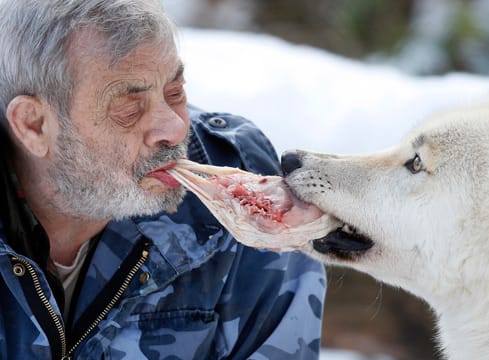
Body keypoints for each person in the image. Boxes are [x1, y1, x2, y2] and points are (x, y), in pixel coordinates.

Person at [0, 0, 326, 359]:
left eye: (175, 93)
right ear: (33, 124)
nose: (174, 128)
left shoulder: (238, 188)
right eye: (129, 108)